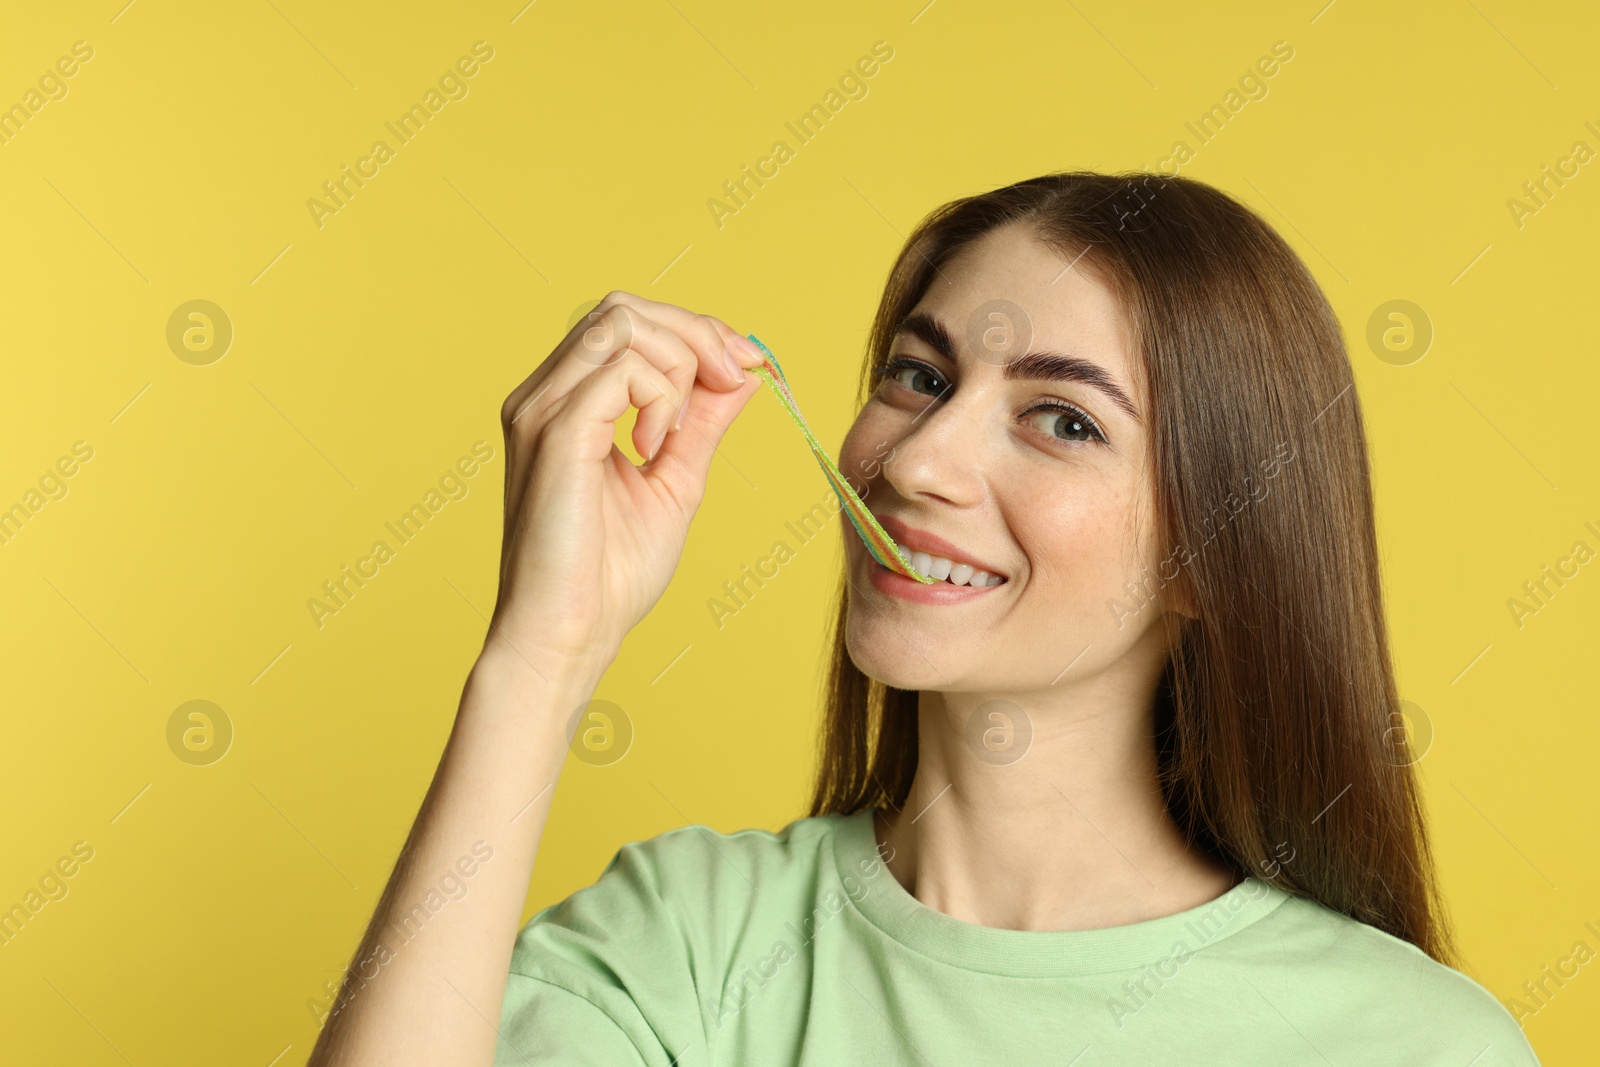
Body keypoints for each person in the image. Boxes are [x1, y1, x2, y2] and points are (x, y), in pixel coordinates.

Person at [306, 171, 1540, 1066]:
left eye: (1062, 419)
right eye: (920, 374)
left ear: (1213, 551)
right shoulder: (686, 943)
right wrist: (541, 655)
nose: (919, 458)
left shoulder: (1412, 1041)